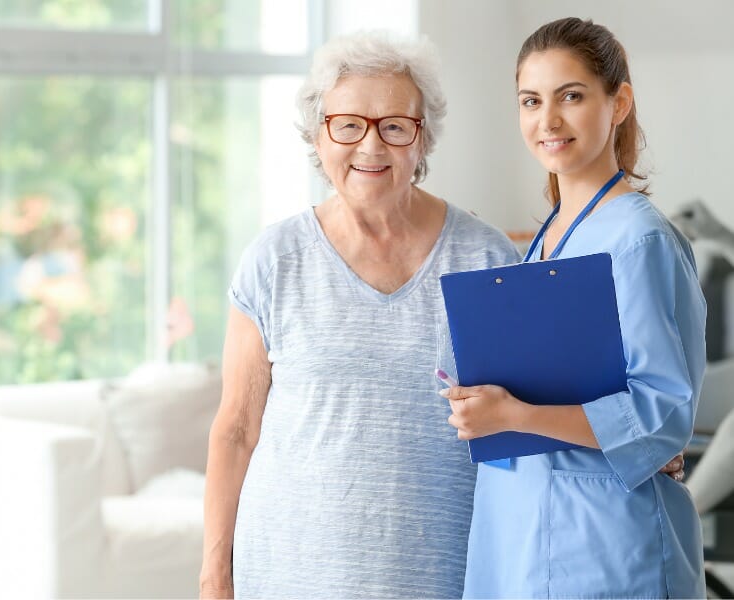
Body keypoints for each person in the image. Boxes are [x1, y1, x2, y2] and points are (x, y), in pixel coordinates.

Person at [199, 31, 521, 598]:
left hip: (443, 575)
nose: (371, 147)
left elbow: (527, 413)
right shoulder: (275, 260)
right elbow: (236, 430)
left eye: (395, 126)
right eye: (348, 124)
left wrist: (638, 449)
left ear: (423, 141)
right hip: (287, 571)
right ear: (318, 136)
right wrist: (214, 576)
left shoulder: (486, 257)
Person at [441, 17, 707, 598]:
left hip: (606, 546)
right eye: (531, 101)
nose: (548, 120)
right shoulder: (548, 237)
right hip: (521, 532)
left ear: (619, 103)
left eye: (572, 96)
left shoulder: (639, 239)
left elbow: (661, 416)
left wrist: (512, 416)